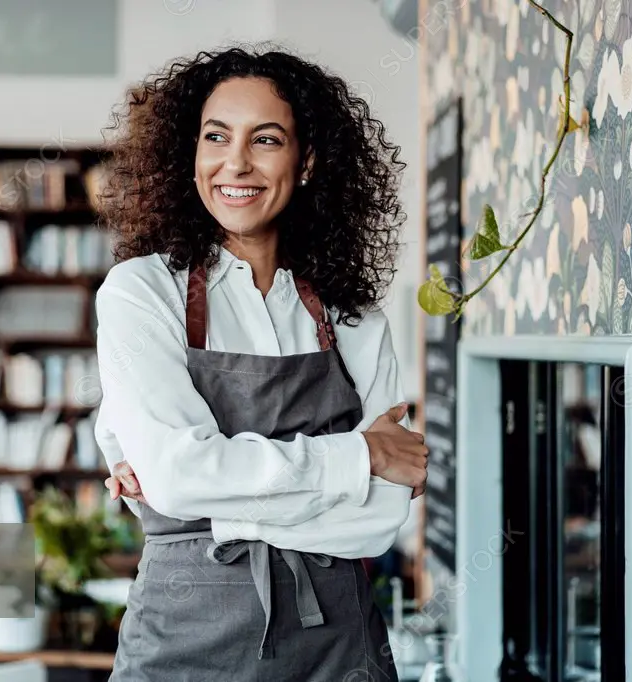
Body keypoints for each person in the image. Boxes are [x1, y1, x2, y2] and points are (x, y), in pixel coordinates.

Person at [93, 45, 429, 682]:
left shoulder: (356, 321)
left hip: (340, 651)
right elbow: (177, 477)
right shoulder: (141, 293)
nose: (235, 162)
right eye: (215, 136)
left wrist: (202, 511)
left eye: (266, 139)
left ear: (306, 163)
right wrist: (361, 457)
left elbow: (379, 521)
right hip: (185, 647)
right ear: (188, 156)